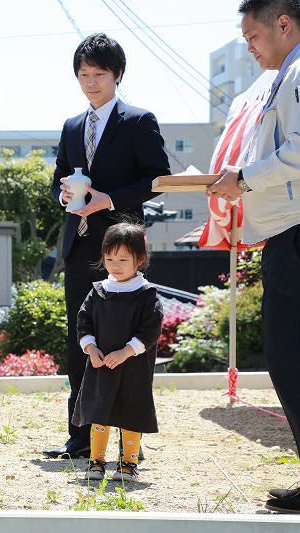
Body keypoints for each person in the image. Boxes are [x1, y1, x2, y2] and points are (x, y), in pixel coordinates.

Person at [44, 33, 170, 460]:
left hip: (122, 251)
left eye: (99, 74)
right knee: (83, 340)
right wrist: (63, 196)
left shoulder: (138, 121)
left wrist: (109, 199)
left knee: (129, 340)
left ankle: (128, 437)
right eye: (84, 75)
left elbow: (157, 180)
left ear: (118, 75)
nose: (91, 82)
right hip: (79, 248)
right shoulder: (71, 125)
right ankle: (80, 435)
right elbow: (58, 178)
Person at [207, 0, 300, 513]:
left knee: (290, 360)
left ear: (283, 24)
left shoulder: (297, 73)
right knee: (288, 360)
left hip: (294, 234)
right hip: (285, 233)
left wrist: (243, 178)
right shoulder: (285, 76)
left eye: (252, 34)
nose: (248, 45)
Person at [72, 223, 162, 482]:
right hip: (100, 364)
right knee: (100, 411)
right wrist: (90, 348)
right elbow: (83, 320)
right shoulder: (98, 291)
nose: (115, 265)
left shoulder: (147, 294)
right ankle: (97, 461)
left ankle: (128, 464)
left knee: (130, 412)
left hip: (133, 366)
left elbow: (150, 330)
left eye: (123, 259)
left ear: (140, 259)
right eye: (109, 258)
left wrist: (126, 351)